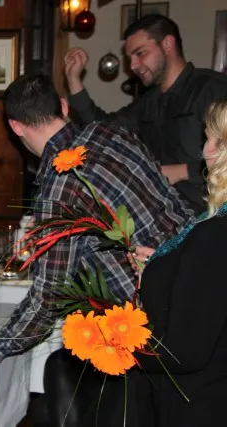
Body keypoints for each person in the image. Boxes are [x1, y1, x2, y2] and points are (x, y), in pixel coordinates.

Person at [0, 73, 192, 363]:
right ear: (64, 106)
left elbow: (50, 294)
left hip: (153, 323)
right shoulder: (110, 132)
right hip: (195, 275)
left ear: (15, 126)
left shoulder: (60, 187)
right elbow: (170, 198)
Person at [112, 99, 227, 427]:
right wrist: (166, 265)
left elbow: (183, 351)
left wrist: (112, 342)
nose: (204, 150)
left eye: (213, 140)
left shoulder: (215, 235)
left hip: (198, 404)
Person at [64, 14, 227, 214]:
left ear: (168, 44)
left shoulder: (213, 88)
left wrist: (183, 171)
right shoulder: (147, 102)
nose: (133, 66)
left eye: (140, 53)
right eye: (130, 58)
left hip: (211, 217)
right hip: (167, 219)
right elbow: (102, 129)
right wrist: (74, 81)